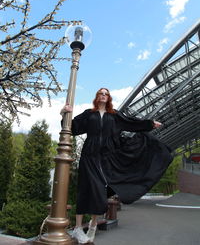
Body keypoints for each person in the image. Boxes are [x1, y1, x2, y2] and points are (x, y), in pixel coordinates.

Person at [61, 88, 173, 244]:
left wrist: (149, 124)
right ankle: (78, 228)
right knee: (85, 188)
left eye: (106, 94)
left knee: (100, 191)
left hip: (107, 157)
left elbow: (131, 123)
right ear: (96, 97)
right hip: (89, 156)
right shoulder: (89, 114)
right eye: (100, 93)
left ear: (109, 98)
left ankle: (93, 224)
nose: (103, 95)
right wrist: (65, 113)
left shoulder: (114, 115)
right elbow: (72, 128)